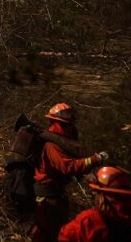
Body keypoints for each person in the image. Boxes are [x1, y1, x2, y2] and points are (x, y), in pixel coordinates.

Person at [32, 103, 109, 242]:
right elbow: (67, 167)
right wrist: (94, 159)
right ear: (55, 123)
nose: (70, 128)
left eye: (70, 125)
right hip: (47, 199)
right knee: (47, 234)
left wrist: (86, 174)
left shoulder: (60, 143)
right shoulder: (51, 146)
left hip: (56, 196)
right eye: (66, 125)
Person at [58, 166, 131, 241]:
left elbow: (65, 236)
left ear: (102, 195)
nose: (94, 194)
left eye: (96, 192)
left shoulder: (90, 220)